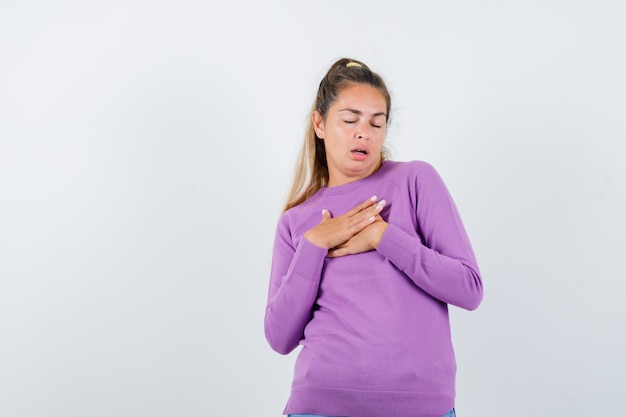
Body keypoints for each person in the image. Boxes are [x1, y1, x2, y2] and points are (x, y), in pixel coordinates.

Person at [264, 58, 483, 417]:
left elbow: (469, 289)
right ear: (319, 123)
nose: (363, 132)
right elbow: (279, 338)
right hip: (319, 407)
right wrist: (315, 245)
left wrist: (384, 236)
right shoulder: (297, 222)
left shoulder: (415, 181)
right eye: (350, 120)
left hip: (420, 407)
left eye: (376, 122)